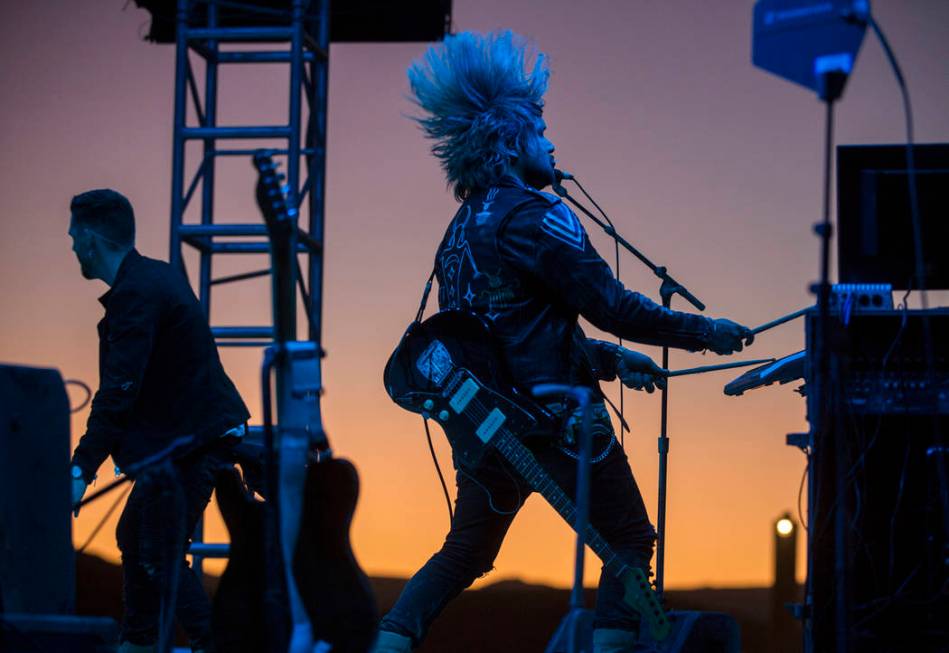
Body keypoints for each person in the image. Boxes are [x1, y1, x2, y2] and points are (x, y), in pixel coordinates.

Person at [373, 32, 754, 653]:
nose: (551, 143)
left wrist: (608, 361)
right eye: (541, 129)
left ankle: (388, 644)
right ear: (511, 139)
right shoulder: (541, 214)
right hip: (558, 421)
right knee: (629, 540)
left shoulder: (458, 233)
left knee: (464, 553)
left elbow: (501, 334)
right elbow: (612, 306)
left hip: (485, 428)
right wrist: (704, 333)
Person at [68, 189, 250, 653]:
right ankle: (140, 639)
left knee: (159, 549)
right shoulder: (154, 279)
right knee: (137, 536)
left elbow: (120, 390)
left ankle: (213, 643)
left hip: (194, 443)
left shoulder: (137, 294)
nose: (70, 243)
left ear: (91, 239)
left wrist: (80, 469)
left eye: (74, 233)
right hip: (188, 440)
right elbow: (155, 382)